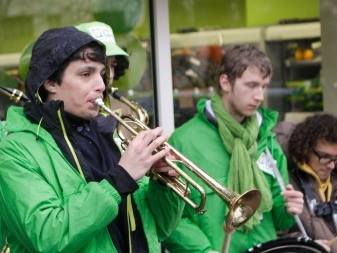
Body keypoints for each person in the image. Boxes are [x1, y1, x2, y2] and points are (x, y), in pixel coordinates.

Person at [0, 26, 184, 253]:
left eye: (101, 73)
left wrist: (163, 185)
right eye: (86, 74)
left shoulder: (109, 133)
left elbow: (158, 229)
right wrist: (120, 179)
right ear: (50, 82)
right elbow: (47, 237)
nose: (101, 85)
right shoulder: (14, 148)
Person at [163, 44, 304, 253]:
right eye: (251, 85)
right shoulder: (183, 141)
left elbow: (280, 222)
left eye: (264, 86)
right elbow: (171, 218)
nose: (260, 96)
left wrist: (290, 208)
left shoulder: (267, 139)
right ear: (225, 82)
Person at [287, 114, 337, 252]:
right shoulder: (287, 182)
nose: (331, 166)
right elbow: (279, 235)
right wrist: (308, 247)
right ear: (305, 148)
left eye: (336, 159)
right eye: (325, 157)